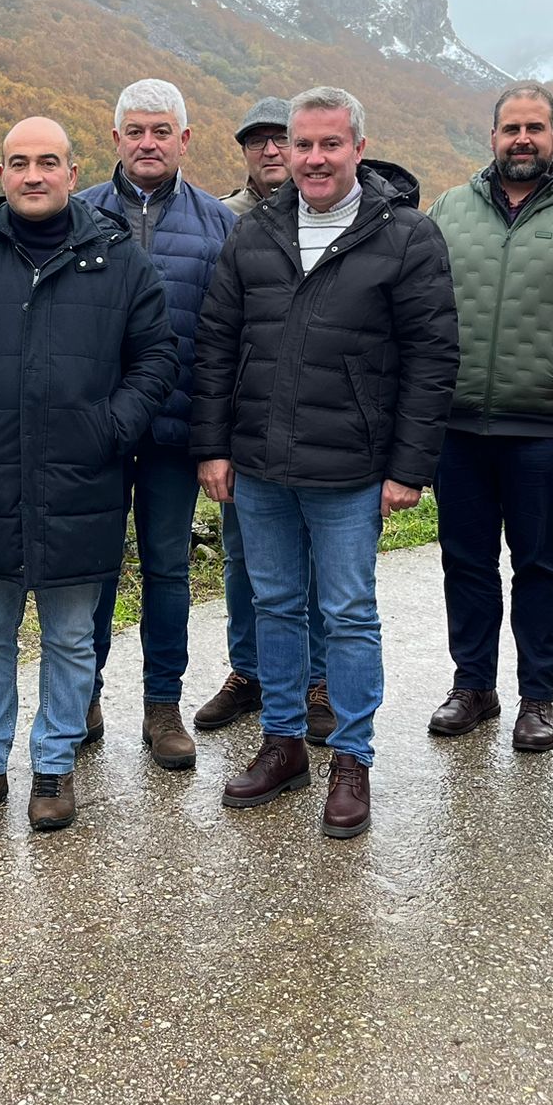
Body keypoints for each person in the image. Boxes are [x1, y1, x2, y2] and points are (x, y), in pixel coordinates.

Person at [193, 87, 458, 839]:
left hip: (351, 470)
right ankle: (282, 744)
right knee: (274, 605)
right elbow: (216, 345)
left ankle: (351, 758)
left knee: (346, 613)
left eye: (328, 144)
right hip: (261, 466)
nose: (311, 158)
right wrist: (212, 446)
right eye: (302, 145)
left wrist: (409, 467)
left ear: (357, 149)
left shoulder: (407, 238)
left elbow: (432, 360)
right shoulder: (256, 233)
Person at [0, 117, 176, 833]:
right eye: (17, 162)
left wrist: (110, 428)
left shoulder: (118, 261)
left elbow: (155, 358)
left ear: (72, 171)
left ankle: (55, 766)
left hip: (82, 479)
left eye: (47, 162)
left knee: (70, 638)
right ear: (1, 173)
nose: (32, 175)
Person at [426, 81, 553, 748]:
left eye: (535, 127)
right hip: (458, 424)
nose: (522, 139)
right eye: (511, 128)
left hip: (541, 424)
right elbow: (424, 303)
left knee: (539, 564)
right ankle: (473, 686)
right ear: (493, 137)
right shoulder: (450, 208)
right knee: (464, 561)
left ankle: (539, 698)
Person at [77, 78, 235, 769]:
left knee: (167, 569)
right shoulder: (75, 215)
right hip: (95, 433)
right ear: (115, 139)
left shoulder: (220, 225)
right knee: (93, 567)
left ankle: (161, 706)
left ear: (184, 140)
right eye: (135, 131)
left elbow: (229, 340)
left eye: (161, 131)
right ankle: (80, 698)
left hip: (177, 434)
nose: (148, 143)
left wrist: (215, 441)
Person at [198, 96, 334, 743]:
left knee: (315, 563)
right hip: (246, 423)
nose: (271, 151)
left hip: (319, 424)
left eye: (281, 139)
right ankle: (249, 672)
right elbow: (215, 334)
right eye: (258, 142)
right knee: (242, 557)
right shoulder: (223, 221)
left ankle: (318, 681)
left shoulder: (331, 215)